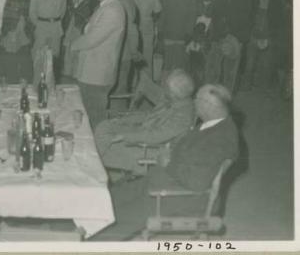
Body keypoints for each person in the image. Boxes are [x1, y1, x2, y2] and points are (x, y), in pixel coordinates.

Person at [90, 83, 239, 241]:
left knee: (114, 224)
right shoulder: (212, 124)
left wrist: (167, 162)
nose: (193, 102)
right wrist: (169, 152)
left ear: (209, 105)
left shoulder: (221, 139)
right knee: (106, 198)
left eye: (197, 99)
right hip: (162, 181)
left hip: (177, 197)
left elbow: (198, 182)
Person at [94, 69, 195, 175]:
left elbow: (156, 136)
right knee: (104, 126)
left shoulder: (183, 117)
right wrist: (123, 120)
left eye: (167, 88)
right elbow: (148, 115)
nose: (164, 89)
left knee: (106, 143)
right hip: (143, 132)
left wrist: (125, 136)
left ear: (174, 94)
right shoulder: (172, 99)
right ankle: (94, 163)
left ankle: (94, 168)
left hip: (153, 148)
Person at [71, 0, 126, 128]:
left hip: (97, 74)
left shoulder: (112, 10)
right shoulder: (106, 6)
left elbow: (92, 39)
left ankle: (99, 147)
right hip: (92, 71)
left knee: (95, 117)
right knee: (89, 113)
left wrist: (72, 46)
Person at [205, 0, 252, 93]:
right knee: (213, 66)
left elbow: (247, 17)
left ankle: (226, 95)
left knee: (230, 70)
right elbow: (212, 13)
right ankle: (210, 93)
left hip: (235, 37)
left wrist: (231, 27)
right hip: (219, 35)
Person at [158, 0, 200, 76]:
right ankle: (165, 86)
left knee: (180, 65)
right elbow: (163, 14)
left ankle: (178, 89)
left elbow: (192, 16)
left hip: (182, 36)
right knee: (166, 64)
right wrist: (160, 30)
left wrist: (188, 33)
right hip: (168, 34)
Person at [29, 0, 67, 77]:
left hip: (56, 26)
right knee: (38, 54)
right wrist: (39, 25)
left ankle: (52, 80)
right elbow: (32, 12)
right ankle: (38, 79)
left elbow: (63, 11)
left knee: (54, 55)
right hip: (41, 26)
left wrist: (55, 21)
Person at [62, 0, 98, 79]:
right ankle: (68, 70)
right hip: (72, 24)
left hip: (82, 26)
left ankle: (77, 73)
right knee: (69, 47)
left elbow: (91, 14)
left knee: (79, 49)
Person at [0, 0, 33, 83]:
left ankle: (23, 82)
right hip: (10, 31)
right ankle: (11, 81)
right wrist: (9, 31)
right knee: (10, 58)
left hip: (23, 31)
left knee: (23, 58)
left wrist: (26, 29)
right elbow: (5, 16)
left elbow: (29, 16)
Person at [133, 0, 162, 79]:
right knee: (133, 55)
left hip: (146, 31)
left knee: (147, 57)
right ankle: (134, 83)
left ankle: (147, 84)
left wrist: (151, 21)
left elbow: (158, 11)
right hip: (133, 30)